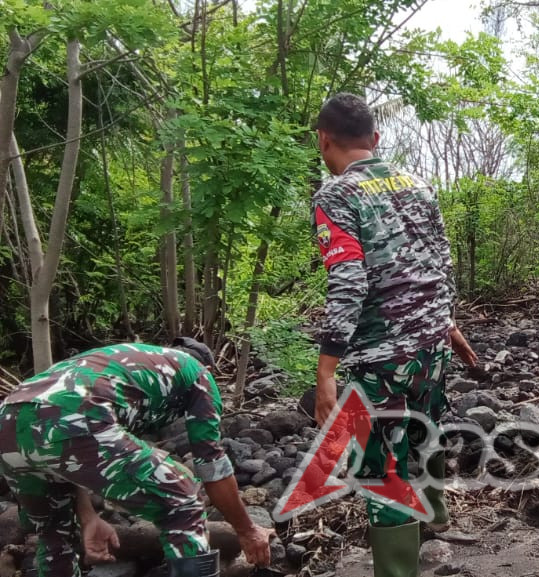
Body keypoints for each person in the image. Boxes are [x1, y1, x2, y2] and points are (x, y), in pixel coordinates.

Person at [310, 92, 478, 577]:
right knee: (424, 428)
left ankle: (399, 568)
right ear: (375, 139)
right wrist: (447, 325)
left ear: (324, 140)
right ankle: (434, 518)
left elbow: (348, 282)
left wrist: (326, 369)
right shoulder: (420, 185)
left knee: (381, 462)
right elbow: (441, 266)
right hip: (430, 345)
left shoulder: (336, 195)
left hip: (381, 354)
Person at [0, 339, 274, 577]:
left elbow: (70, 457)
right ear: (210, 370)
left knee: (54, 532)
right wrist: (247, 530)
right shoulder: (198, 374)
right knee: (182, 498)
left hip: (9, 423)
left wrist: (89, 518)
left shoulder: (131, 361)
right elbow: (211, 464)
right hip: (74, 414)